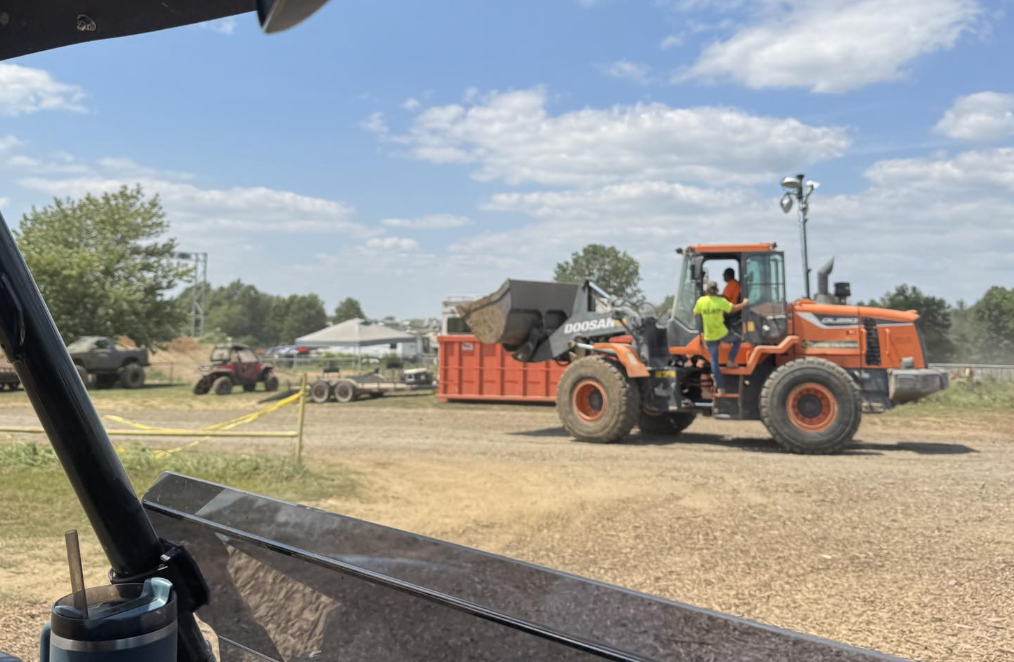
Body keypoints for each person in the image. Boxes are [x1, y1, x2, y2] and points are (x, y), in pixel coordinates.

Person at [693, 281, 749, 395]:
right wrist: (744, 303)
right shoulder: (721, 301)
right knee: (738, 340)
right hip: (722, 333)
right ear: (716, 290)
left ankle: (721, 388)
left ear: (707, 290)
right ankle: (730, 360)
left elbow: (696, 314)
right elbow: (733, 309)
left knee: (714, 362)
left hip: (709, 336)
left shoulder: (701, 301)